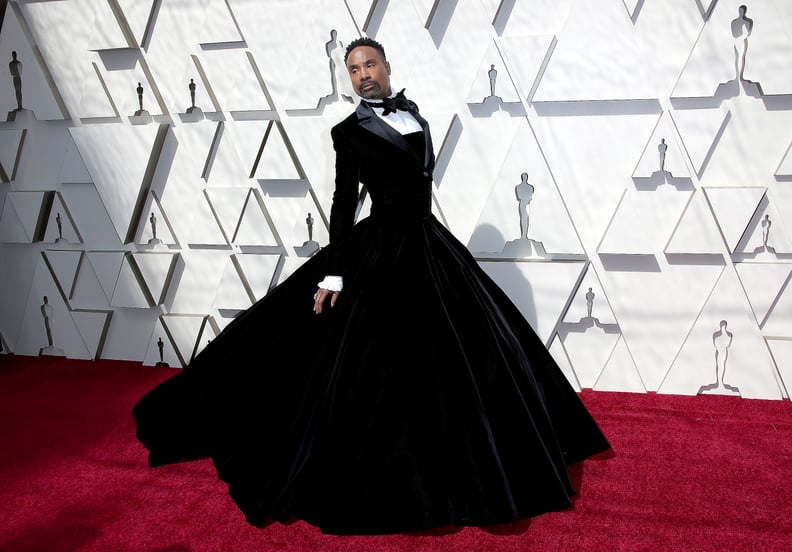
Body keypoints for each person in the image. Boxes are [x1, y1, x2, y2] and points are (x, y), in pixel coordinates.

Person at [133, 37, 609, 535]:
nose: (363, 74)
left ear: (386, 65)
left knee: (463, 355)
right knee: (376, 361)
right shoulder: (349, 132)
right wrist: (336, 271)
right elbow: (343, 202)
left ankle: (475, 457)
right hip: (380, 247)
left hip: (430, 243)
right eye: (353, 68)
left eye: (370, 64)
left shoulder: (418, 117)